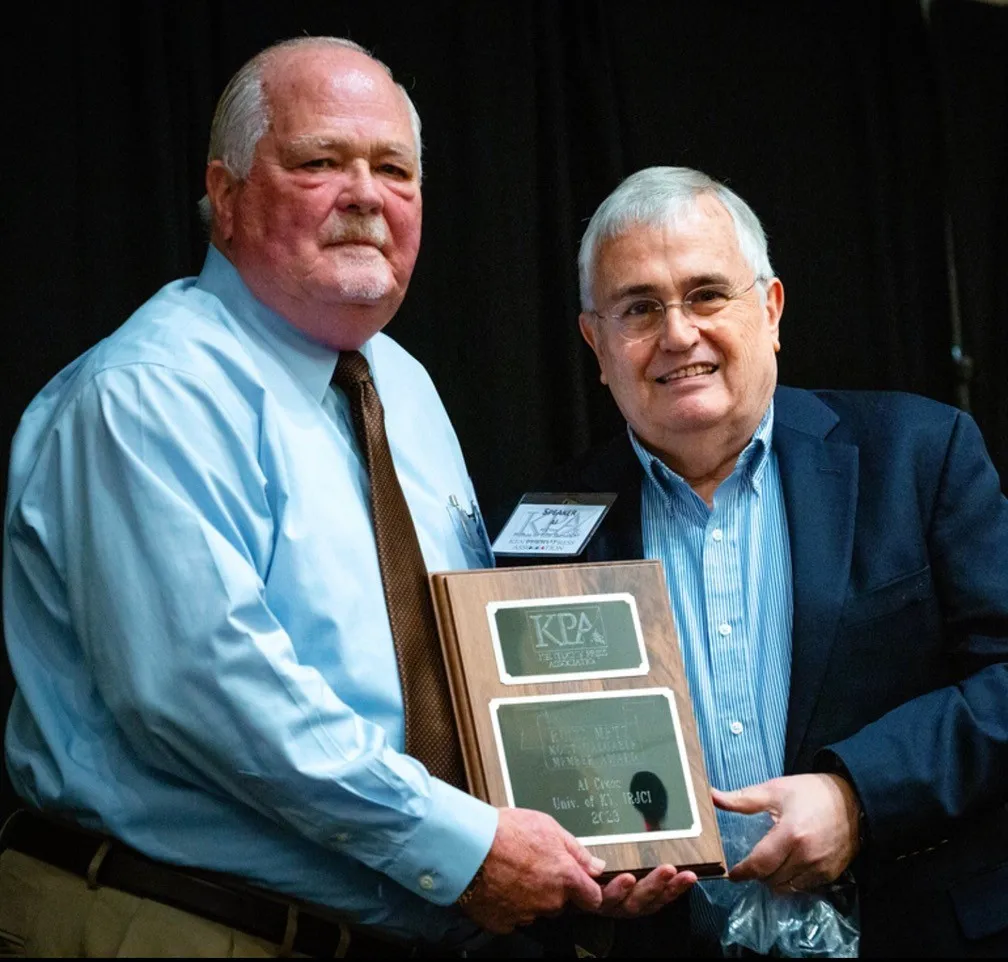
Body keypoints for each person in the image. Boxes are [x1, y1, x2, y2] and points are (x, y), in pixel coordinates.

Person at [0, 39, 690, 958]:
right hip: (181, 921)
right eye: (320, 162)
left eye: (394, 169)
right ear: (229, 192)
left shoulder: (399, 386)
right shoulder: (148, 393)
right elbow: (208, 695)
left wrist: (583, 840)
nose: (366, 195)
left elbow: (464, 665)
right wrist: (472, 848)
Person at [552, 165, 1008, 957]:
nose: (678, 334)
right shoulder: (550, 528)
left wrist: (857, 797)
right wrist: (592, 876)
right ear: (597, 344)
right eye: (638, 308)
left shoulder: (920, 456)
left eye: (705, 294)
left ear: (769, 309)